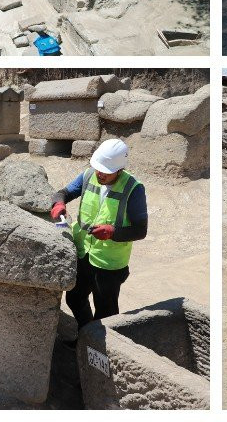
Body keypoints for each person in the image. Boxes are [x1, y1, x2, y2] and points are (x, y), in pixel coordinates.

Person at [50, 139, 147, 329]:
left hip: (109, 263)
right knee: (75, 299)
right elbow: (63, 193)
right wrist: (58, 203)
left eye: (106, 171)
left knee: (106, 311)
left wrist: (113, 232)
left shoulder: (134, 189)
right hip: (82, 252)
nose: (100, 173)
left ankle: (100, 351)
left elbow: (140, 230)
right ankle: (86, 338)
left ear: (119, 170)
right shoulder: (88, 175)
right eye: (98, 168)